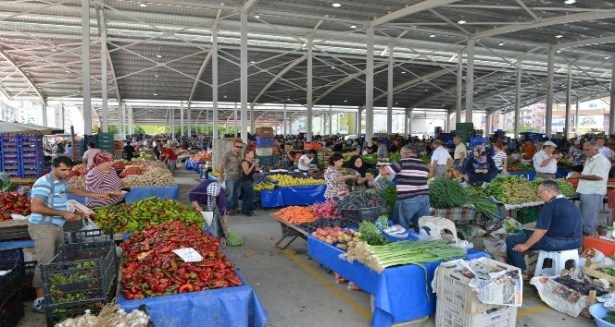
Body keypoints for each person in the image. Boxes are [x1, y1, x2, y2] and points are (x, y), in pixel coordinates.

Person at [28, 156, 110, 313]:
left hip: (56, 225)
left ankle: (51, 293)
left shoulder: (60, 182)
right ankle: (39, 299)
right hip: (43, 226)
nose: (66, 173)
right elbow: (36, 207)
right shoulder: (44, 183)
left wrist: (96, 195)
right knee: (45, 261)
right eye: (63, 169)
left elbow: (73, 190)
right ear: (53, 167)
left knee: (57, 259)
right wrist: (62, 213)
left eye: (68, 169)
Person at [505, 180, 582, 278]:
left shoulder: (550, 206)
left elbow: (541, 230)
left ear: (549, 192)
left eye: (540, 192)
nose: (539, 195)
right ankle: (514, 269)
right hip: (576, 242)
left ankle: (521, 272)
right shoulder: (570, 204)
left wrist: (525, 245)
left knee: (511, 240)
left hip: (556, 242)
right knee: (527, 235)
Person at [379, 145, 430, 231]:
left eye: (401, 154)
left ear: (405, 153)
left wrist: (382, 166)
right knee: (422, 228)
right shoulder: (424, 165)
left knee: (400, 228)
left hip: (408, 199)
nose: (400, 156)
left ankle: (402, 242)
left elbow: (383, 172)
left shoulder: (402, 163)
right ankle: (424, 241)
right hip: (424, 199)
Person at [570, 141, 611, 235]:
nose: (585, 151)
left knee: (590, 217)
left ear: (596, 149)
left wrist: (579, 176)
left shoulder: (601, 160)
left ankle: (590, 237)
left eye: (587, 150)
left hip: (593, 192)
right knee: (584, 216)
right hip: (586, 191)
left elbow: (598, 176)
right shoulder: (590, 159)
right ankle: (585, 237)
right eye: (584, 149)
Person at [188, 180, 228, 246]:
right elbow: (191, 195)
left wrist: (225, 221)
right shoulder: (200, 188)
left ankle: (211, 236)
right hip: (200, 201)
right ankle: (199, 234)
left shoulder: (220, 193)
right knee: (199, 218)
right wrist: (197, 206)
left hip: (212, 204)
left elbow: (223, 208)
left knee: (213, 219)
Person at [219, 140, 243, 215]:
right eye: (237, 146)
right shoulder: (227, 154)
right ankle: (227, 209)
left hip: (238, 177)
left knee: (237, 194)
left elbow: (240, 165)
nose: (239, 148)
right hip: (230, 178)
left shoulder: (239, 155)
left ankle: (234, 208)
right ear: (233, 146)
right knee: (230, 195)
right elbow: (221, 165)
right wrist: (221, 176)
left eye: (241, 147)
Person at [239, 149, 258, 216]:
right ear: (246, 154)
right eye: (251, 153)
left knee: (246, 197)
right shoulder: (245, 162)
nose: (253, 155)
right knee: (251, 196)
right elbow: (246, 172)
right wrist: (252, 166)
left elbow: (253, 170)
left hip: (248, 181)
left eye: (253, 153)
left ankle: (245, 211)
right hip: (245, 182)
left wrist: (255, 166)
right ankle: (247, 211)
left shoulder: (249, 161)